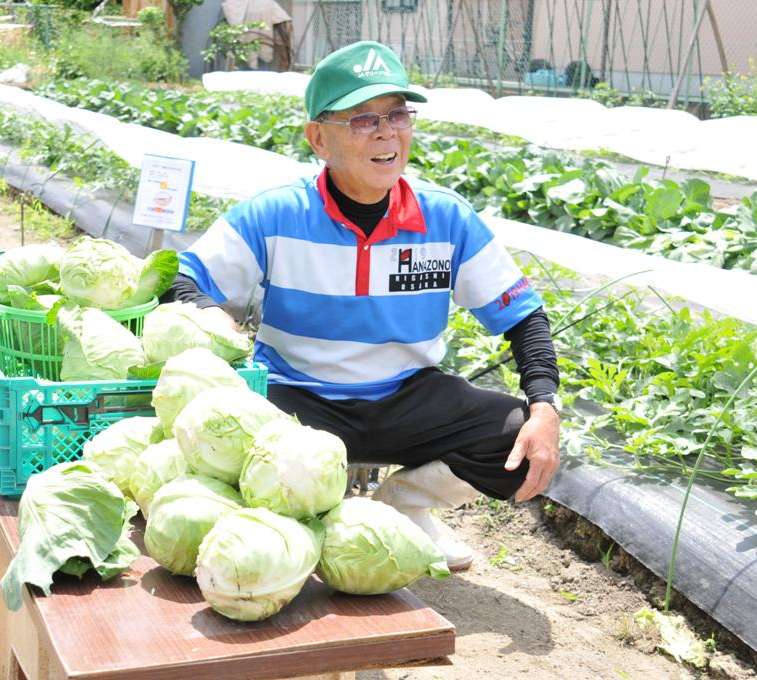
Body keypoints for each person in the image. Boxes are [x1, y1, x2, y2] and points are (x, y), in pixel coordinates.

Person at [162, 40, 560, 571]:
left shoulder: (445, 218)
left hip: (407, 397)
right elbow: (181, 278)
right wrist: (207, 311)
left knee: (517, 439)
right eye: (363, 119)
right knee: (234, 456)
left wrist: (545, 405)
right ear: (318, 139)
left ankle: (405, 502)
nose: (386, 132)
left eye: (397, 114)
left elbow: (524, 316)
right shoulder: (277, 213)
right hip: (298, 398)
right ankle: (312, 527)